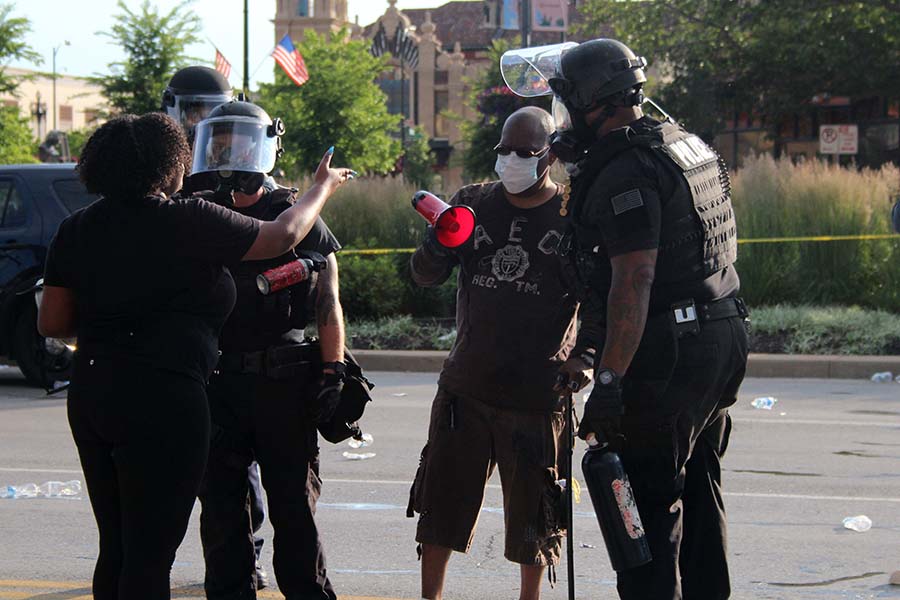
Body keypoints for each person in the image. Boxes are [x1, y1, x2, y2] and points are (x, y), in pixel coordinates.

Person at [37, 112, 353, 600]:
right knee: (151, 551)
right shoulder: (186, 218)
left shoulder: (76, 228)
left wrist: (116, 325)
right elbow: (283, 234)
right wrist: (324, 187)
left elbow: (53, 323)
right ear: (170, 165)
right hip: (167, 397)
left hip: (95, 393)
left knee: (117, 545)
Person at [548, 39, 750, 599]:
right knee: (700, 486)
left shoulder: (624, 173)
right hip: (719, 334)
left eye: (570, 102)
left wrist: (609, 381)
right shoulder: (682, 144)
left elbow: (634, 281)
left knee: (643, 511)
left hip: (669, 351)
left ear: (596, 100)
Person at [407, 106, 579, 600]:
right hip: (467, 388)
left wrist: (585, 358)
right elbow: (423, 275)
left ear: (549, 155)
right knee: (441, 506)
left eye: (524, 152)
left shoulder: (570, 214)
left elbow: (601, 294)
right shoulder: (471, 201)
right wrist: (439, 241)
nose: (510, 160)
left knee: (535, 521)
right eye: (503, 150)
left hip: (537, 395)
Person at [193, 100, 347, 600]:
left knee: (294, 512)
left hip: (282, 385)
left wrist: (333, 370)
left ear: (264, 148)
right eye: (220, 144)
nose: (230, 156)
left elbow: (328, 299)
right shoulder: (197, 214)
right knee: (221, 515)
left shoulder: (294, 214)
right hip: (218, 387)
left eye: (240, 143)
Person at [161, 64, 272, 589]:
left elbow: (292, 239)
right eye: (195, 113)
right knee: (201, 477)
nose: (203, 125)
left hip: (251, 356)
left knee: (241, 479)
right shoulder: (176, 188)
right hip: (195, 358)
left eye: (214, 116)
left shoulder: (263, 191)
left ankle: (243, 558)